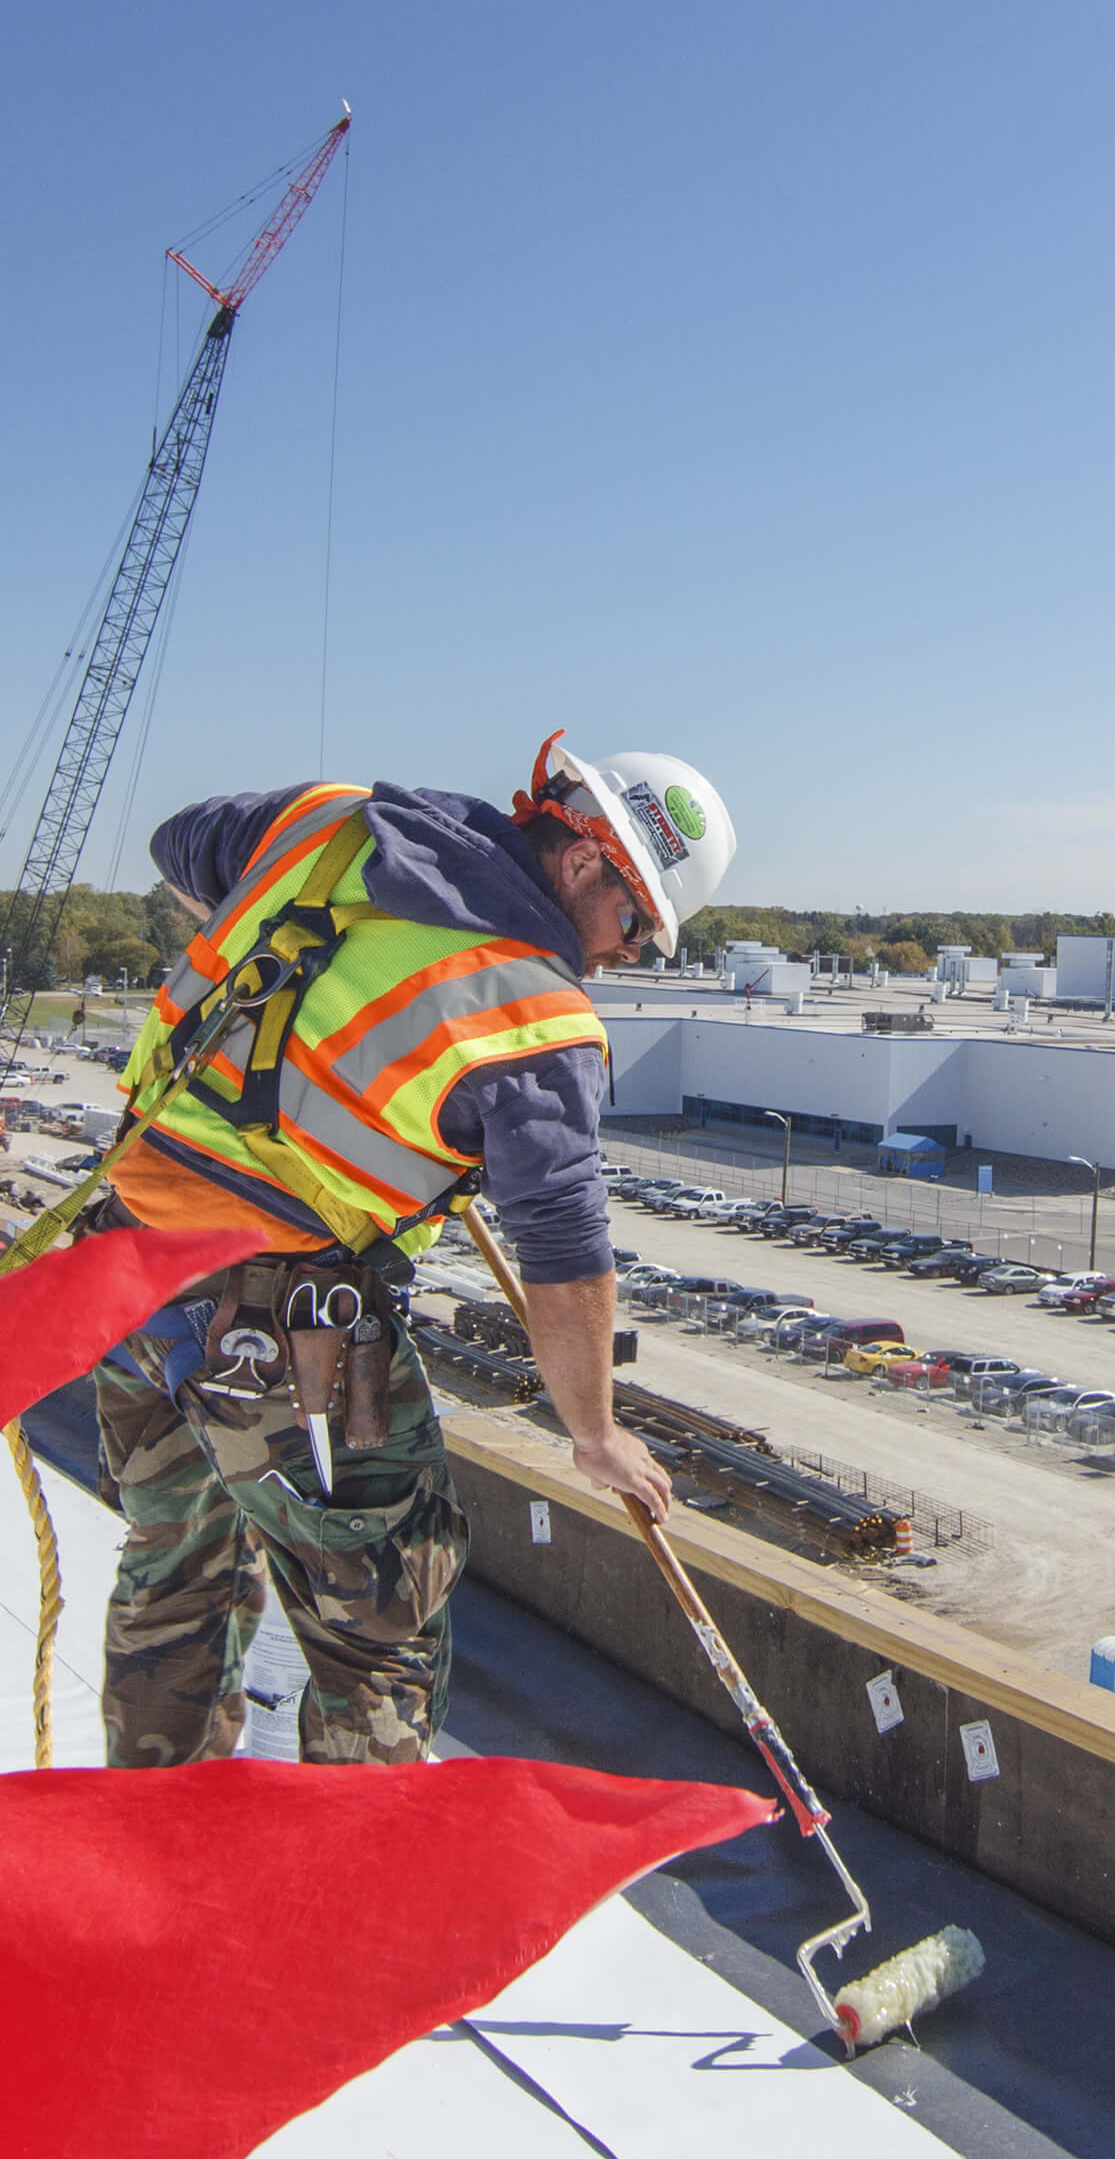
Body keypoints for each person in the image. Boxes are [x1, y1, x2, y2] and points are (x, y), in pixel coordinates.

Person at [86, 732, 735, 1768]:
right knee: (380, 1638)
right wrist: (594, 1431)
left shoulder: (328, 826)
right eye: (633, 922)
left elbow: (181, 844)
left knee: (177, 1568)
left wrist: (275, 957)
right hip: (278, 1330)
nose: (622, 952)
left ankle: (151, 1848)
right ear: (580, 860)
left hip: (122, 1279)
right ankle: (344, 1915)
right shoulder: (536, 1023)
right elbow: (566, 1257)